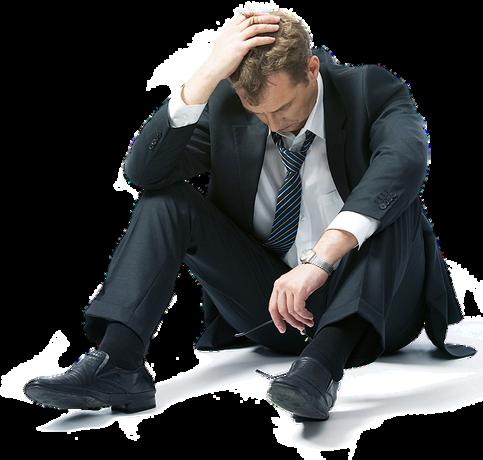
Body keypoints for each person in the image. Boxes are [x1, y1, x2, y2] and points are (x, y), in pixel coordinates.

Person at [23, 9, 476, 420]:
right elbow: (144, 174)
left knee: (396, 203)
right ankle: (119, 363)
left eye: (282, 108)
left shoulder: (368, 90)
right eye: (258, 113)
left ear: (311, 69)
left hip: (377, 312)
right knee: (166, 201)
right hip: (275, 311)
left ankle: (321, 369)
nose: (273, 124)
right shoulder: (230, 107)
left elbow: (404, 164)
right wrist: (205, 75)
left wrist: (318, 262)